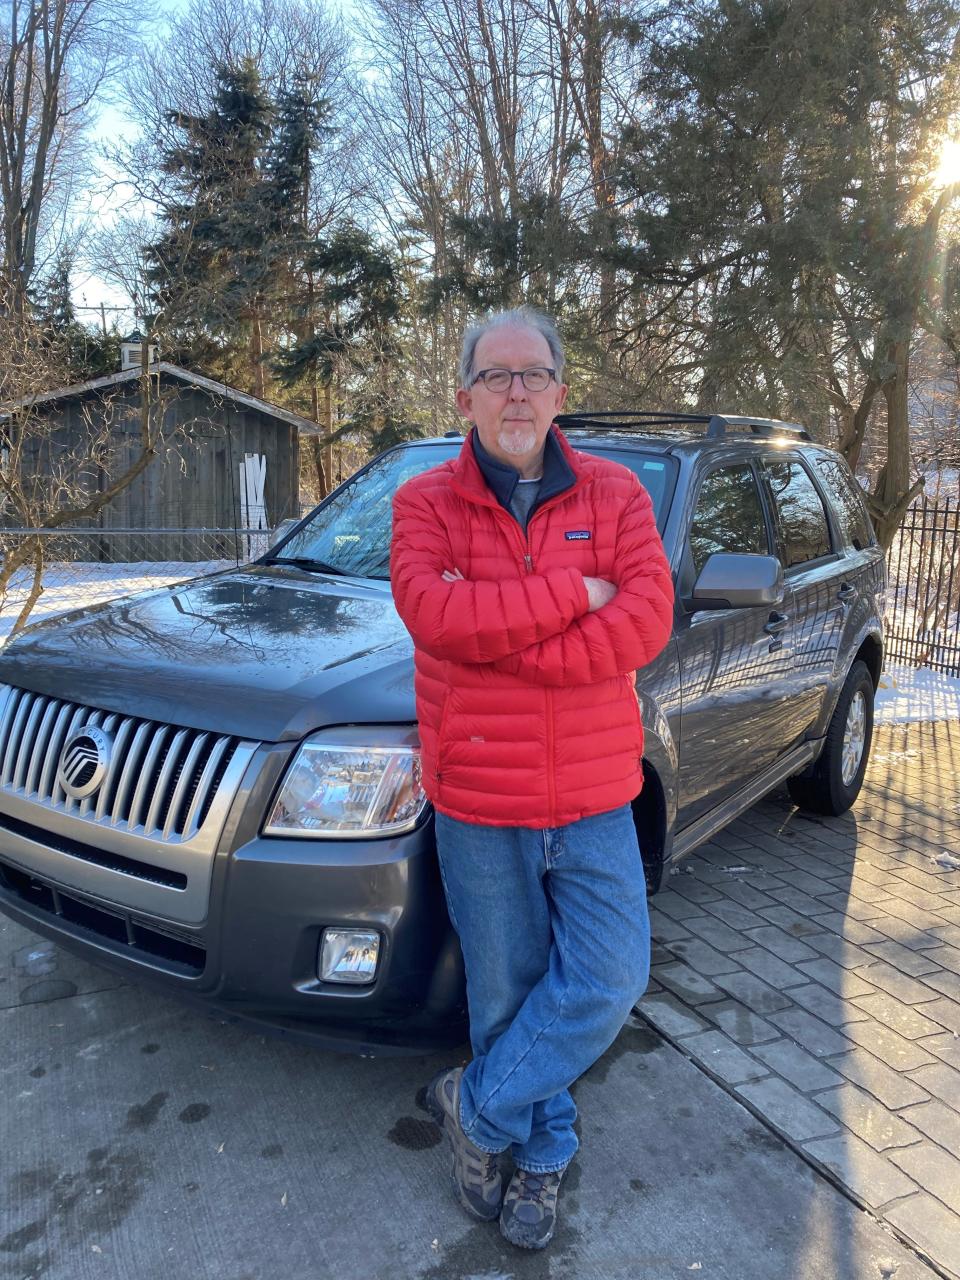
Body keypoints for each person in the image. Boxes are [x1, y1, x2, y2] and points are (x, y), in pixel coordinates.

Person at [390, 307, 674, 1250]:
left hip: (595, 795)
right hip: (480, 799)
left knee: (608, 977)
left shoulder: (620, 496)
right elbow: (433, 615)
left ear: (561, 391)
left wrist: (501, 641)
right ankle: (539, 1156)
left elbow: (644, 623)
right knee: (507, 991)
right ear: (463, 393)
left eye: (534, 374)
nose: (517, 391)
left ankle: (475, 1109)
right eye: (497, 375)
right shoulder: (424, 503)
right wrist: (567, 598)